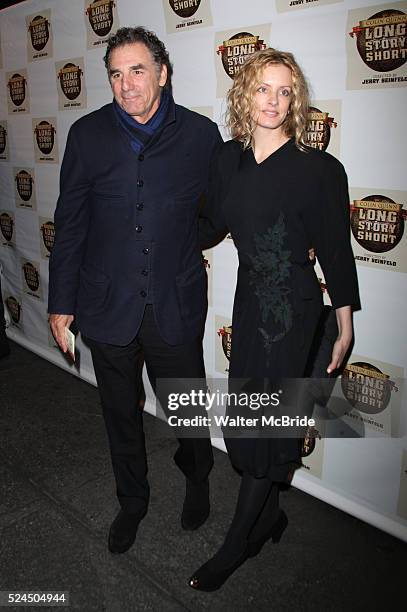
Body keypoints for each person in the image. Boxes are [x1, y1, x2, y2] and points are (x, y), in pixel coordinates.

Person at [191, 48, 360, 591]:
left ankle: (237, 542)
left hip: (296, 312)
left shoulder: (319, 170)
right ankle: (269, 518)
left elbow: (336, 252)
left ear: (296, 100)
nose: (273, 100)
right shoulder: (227, 160)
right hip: (248, 303)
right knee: (247, 425)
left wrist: (346, 323)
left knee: (269, 430)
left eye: (285, 91)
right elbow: (208, 224)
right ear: (245, 93)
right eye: (263, 88)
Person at [48, 26, 222, 554]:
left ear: (163, 73)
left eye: (138, 70)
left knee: (186, 408)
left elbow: (217, 215)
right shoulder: (87, 134)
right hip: (106, 305)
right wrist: (60, 304)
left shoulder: (200, 135)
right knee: (119, 413)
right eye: (117, 74)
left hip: (175, 298)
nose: (127, 85)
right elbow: (71, 222)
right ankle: (132, 501)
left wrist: (178, 238)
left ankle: (197, 477)